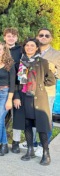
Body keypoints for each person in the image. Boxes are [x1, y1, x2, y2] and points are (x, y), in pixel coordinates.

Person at [14, 38, 55, 165]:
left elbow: (51, 80)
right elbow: (16, 83)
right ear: (24, 47)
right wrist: (16, 96)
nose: (29, 47)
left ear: (37, 48)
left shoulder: (43, 62)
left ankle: (46, 153)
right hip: (24, 97)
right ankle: (30, 150)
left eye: (32, 45)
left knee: (41, 127)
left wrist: (39, 86)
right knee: (27, 124)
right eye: (27, 45)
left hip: (39, 98)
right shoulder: (20, 63)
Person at [34, 28, 60, 156]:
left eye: (46, 35)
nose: (43, 37)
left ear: (51, 38)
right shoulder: (32, 50)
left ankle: (43, 144)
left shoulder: (57, 54)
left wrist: (52, 70)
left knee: (46, 118)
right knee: (33, 117)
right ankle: (32, 143)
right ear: (37, 37)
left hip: (48, 91)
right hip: (33, 91)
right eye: (41, 35)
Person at [3, 28, 23, 153]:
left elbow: (20, 74)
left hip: (16, 88)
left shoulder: (21, 51)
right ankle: (2, 140)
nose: (11, 38)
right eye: (8, 36)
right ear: (4, 37)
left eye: (13, 36)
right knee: (2, 117)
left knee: (17, 116)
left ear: (16, 38)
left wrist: (16, 94)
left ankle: (16, 142)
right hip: (1, 88)